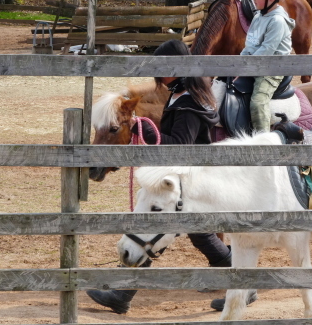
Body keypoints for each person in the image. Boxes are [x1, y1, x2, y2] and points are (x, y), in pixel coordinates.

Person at [85, 39, 257, 313]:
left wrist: (150, 132)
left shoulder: (189, 100)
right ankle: (244, 284)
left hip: (190, 176)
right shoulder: (182, 94)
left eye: (163, 66)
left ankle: (121, 293)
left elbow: (181, 144)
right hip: (186, 174)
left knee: (154, 227)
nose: (158, 72)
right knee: (199, 234)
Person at [241, 0, 296, 133]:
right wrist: (236, 63)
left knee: (258, 101)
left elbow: (265, 52)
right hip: (255, 62)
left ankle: (263, 139)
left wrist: (245, 66)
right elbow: (249, 45)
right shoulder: (258, 15)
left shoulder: (277, 21)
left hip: (271, 68)